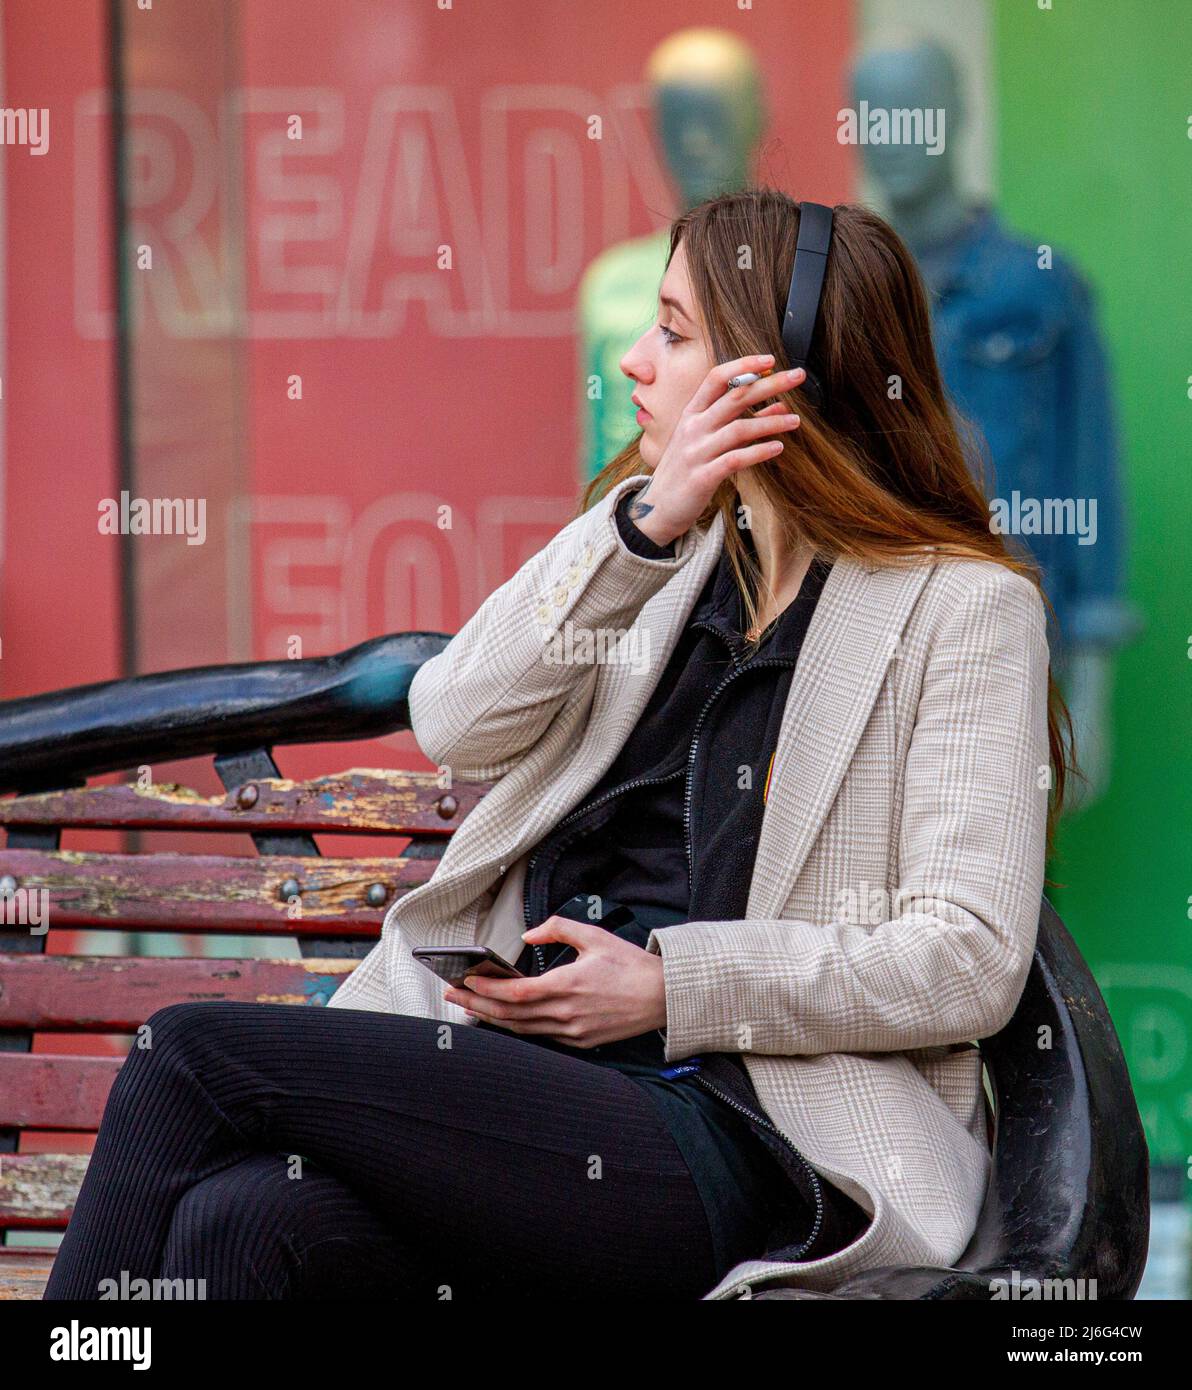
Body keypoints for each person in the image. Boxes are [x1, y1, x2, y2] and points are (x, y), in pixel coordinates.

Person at [43, 188, 1073, 1303]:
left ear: (772, 378)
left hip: (751, 1132)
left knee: (187, 1053)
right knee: (246, 1223)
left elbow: (964, 958)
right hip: (544, 1091)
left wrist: (672, 987)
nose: (632, 360)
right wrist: (639, 526)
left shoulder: (959, 609)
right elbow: (453, 719)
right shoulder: (660, 559)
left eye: (673, 332)